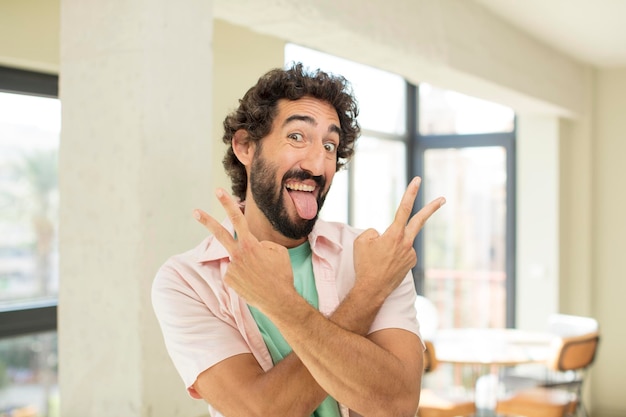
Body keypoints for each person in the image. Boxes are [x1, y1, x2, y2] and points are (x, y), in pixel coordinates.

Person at [151, 63, 446, 417]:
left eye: (330, 145)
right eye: (296, 137)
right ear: (246, 146)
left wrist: (286, 303)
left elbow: (397, 405)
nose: (318, 165)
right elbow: (261, 411)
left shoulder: (374, 257)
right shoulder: (188, 280)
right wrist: (368, 292)